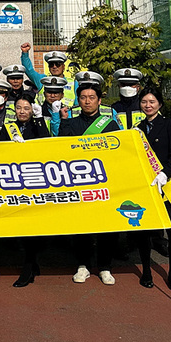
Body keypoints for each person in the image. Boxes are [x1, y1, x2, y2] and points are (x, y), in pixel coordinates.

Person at [58, 72, 121, 285]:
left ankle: (105, 267)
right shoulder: (72, 124)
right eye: (83, 97)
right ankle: (83, 265)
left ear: (99, 100)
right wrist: (64, 121)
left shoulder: (110, 124)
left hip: (103, 185)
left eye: (91, 97)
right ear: (79, 100)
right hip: (79, 184)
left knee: (106, 228)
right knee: (82, 228)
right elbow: (62, 150)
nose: (87, 101)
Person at [135, 88, 171, 292]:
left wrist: (164, 174)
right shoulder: (137, 129)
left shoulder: (169, 124)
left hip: (168, 183)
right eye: (145, 102)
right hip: (147, 185)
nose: (148, 105)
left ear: (160, 104)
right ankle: (146, 270)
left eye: (152, 101)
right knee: (145, 230)